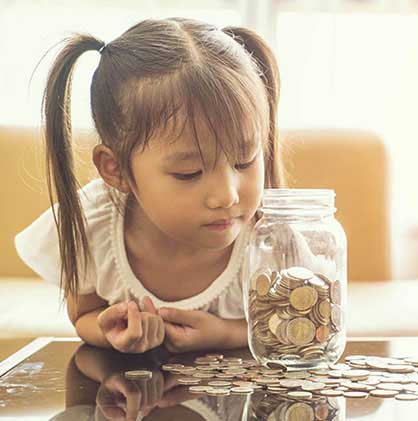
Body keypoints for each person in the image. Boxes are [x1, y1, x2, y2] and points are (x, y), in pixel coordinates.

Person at [15, 17, 283, 354]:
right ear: (116, 170)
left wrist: (226, 334)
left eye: (244, 162)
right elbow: (83, 314)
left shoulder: (273, 235)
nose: (227, 195)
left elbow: (302, 330)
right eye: (189, 173)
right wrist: (108, 330)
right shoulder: (92, 223)